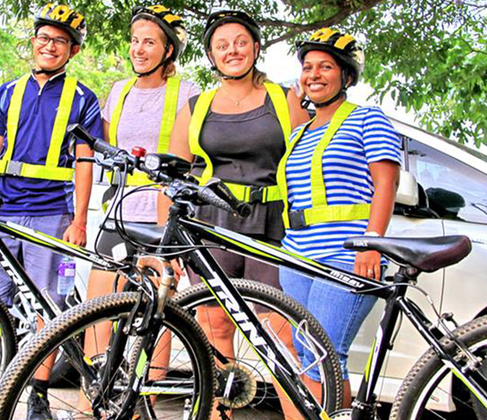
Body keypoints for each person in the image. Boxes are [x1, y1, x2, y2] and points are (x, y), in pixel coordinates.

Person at [0, 4, 100, 420]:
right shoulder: (7, 91)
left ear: (73, 50)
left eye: (60, 41)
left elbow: (85, 162)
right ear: (33, 42)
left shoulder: (83, 98)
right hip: (2, 211)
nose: (49, 46)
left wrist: (80, 220)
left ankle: (38, 396)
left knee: (48, 309)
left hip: (52, 214)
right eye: (44, 38)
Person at [160, 9, 308, 419]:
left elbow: (310, 159)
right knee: (213, 329)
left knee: (278, 333)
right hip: (211, 224)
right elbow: (173, 174)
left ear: (256, 47)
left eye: (240, 42)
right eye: (222, 45)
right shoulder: (198, 105)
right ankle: (215, 413)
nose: (232, 51)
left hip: (271, 225)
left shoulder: (284, 98)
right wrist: (166, 239)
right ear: (210, 54)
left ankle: (300, 412)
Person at [73, 5, 200, 417]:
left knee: (155, 313)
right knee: (97, 311)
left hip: (161, 216)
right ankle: (87, 403)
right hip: (119, 213)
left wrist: (173, 230)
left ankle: (146, 405)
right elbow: (103, 151)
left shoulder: (186, 92)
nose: (139, 49)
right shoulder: (118, 91)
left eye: (149, 41)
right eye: (134, 40)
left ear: (169, 49)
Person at [276, 28, 401, 414]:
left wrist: (371, 242)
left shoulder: (368, 119)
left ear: (346, 76)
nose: (313, 74)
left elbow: (387, 183)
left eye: (325, 67)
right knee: (305, 353)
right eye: (307, 67)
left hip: (345, 254)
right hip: (297, 256)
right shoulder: (298, 134)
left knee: (327, 354)